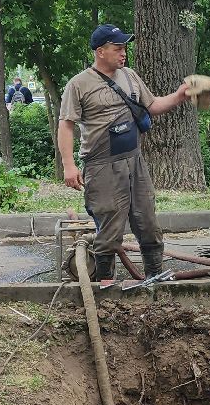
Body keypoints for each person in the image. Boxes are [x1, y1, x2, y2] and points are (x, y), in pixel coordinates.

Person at [55, 24, 196, 283]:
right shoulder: (78, 84)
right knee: (109, 224)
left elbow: (152, 105)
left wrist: (179, 96)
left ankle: (155, 276)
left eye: (124, 48)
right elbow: (66, 125)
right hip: (101, 165)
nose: (124, 53)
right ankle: (105, 284)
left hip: (134, 160)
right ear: (100, 51)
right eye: (118, 48)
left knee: (148, 221)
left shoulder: (129, 75)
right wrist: (68, 165)